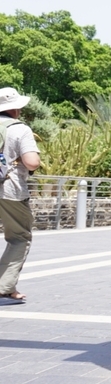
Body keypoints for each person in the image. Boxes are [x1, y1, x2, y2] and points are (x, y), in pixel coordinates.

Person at [0, 87, 42, 303]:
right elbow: (32, 162)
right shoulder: (19, 129)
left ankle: (8, 286)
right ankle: (4, 287)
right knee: (19, 237)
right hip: (9, 190)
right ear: (15, 109)